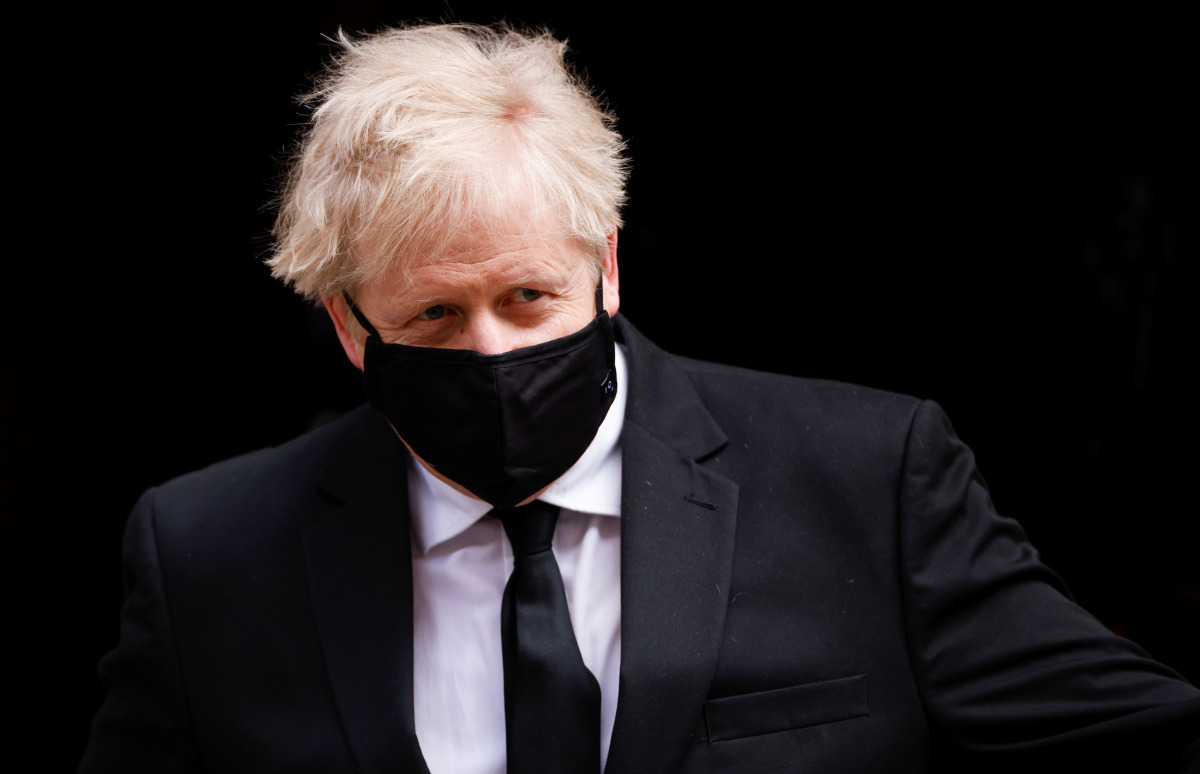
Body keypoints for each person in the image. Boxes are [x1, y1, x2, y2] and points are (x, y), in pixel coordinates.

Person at [79, 23, 1200, 773]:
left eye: (529, 295)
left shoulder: (868, 479)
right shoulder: (206, 554)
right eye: (432, 318)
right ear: (347, 327)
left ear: (607, 266)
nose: (492, 349)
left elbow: (1142, 741)